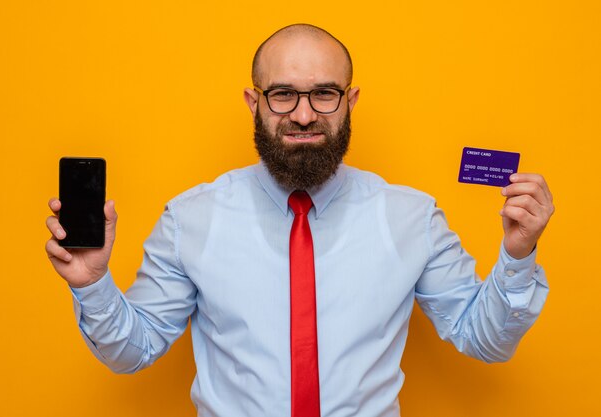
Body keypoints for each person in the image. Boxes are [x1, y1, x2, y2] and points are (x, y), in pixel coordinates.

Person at [45, 24, 554, 417]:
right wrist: (93, 286)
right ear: (254, 102)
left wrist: (517, 257)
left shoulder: (411, 217)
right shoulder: (191, 219)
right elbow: (135, 350)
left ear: (350, 101)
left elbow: (482, 339)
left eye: (325, 94)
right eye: (283, 94)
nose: (305, 115)